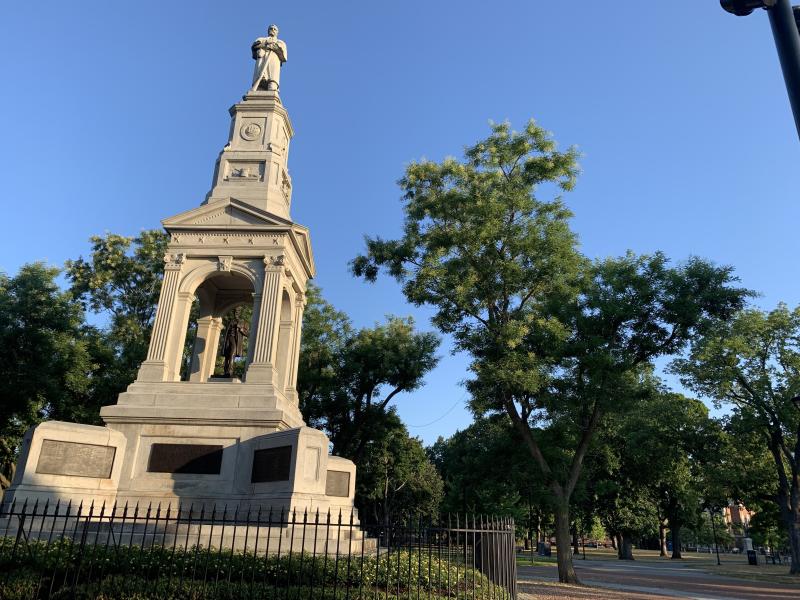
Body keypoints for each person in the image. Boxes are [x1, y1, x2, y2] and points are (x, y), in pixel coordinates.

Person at [251, 24, 287, 92]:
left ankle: (272, 85)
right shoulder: (261, 39)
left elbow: (284, 56)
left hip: (273, 61)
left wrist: (274, 47)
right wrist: (266, 44)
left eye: (274, 29)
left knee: (272, 79)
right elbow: (255, 46)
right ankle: (259, 86)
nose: (272, 30)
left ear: (277, 32)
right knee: (260, 79)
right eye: (271, 28)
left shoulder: (280, 42)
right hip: (262, 60)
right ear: (268, 31)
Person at [222, 311, 248, 377]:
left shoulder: (243, 322)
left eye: (238, 312)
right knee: (227, 355)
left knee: (232, 353)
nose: (236, 313)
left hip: (235, 340)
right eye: (235, 312)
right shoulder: (230, 321)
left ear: (240, 313)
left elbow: (247, 333)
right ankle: (225, 371)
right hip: (228, 338)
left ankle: (230, 371)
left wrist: (241, 329)